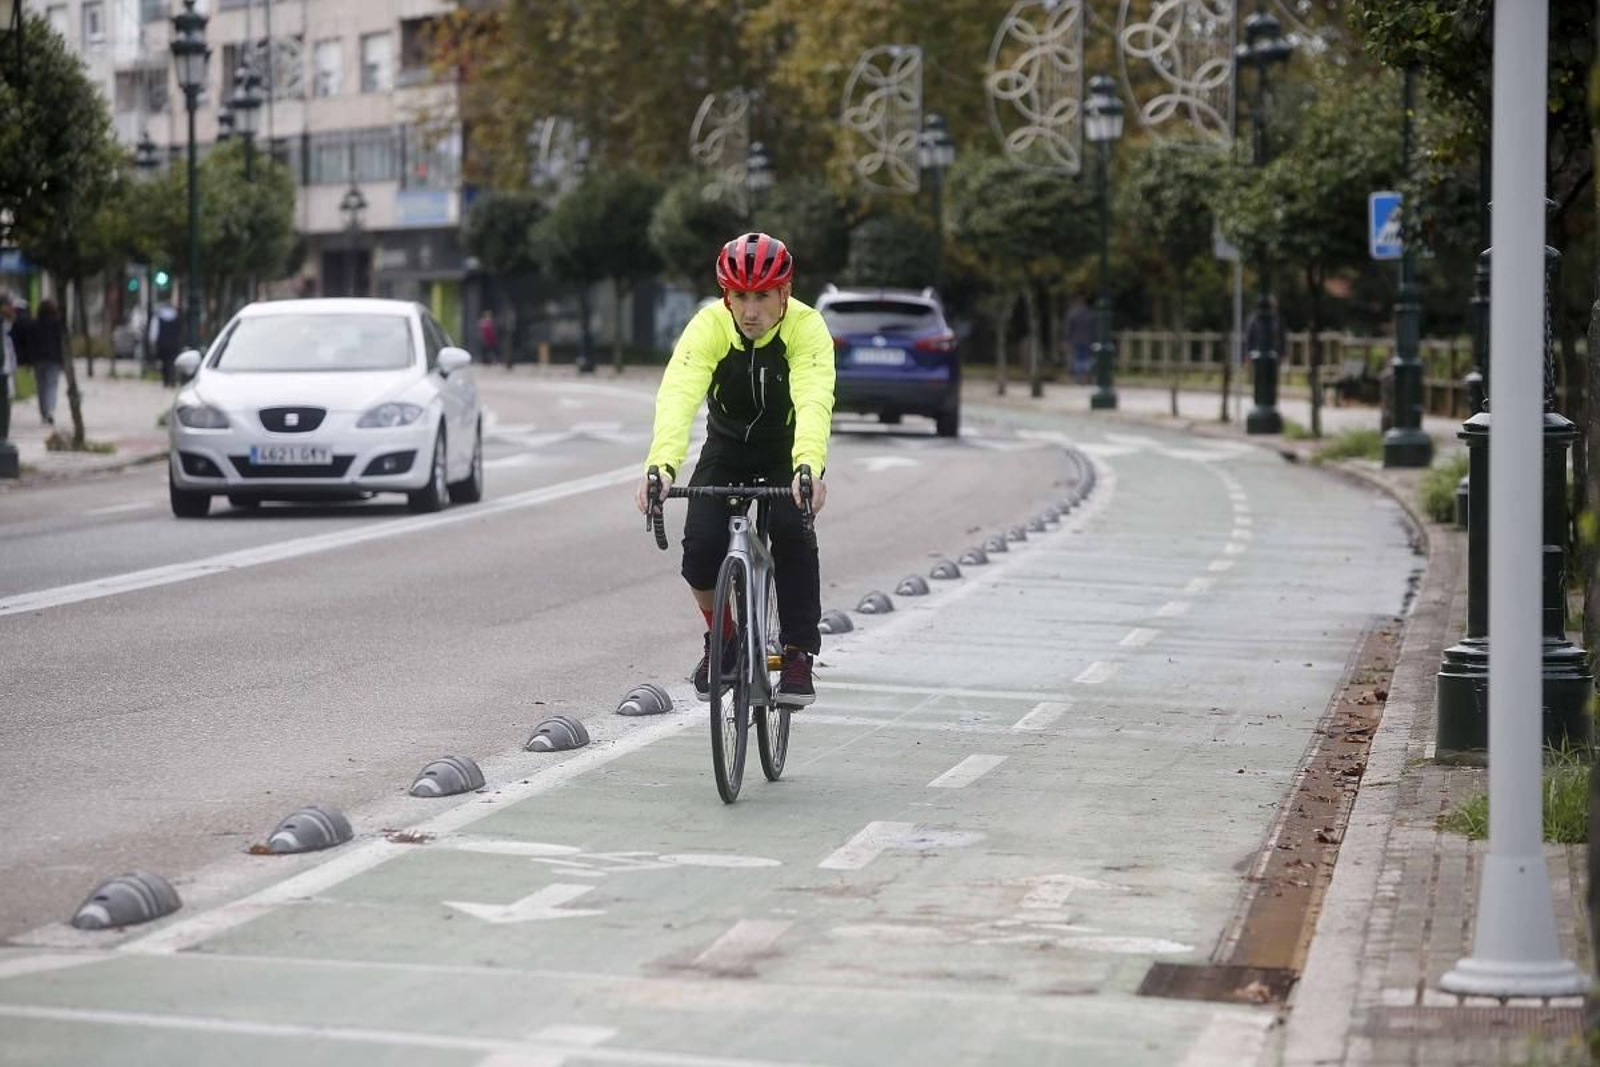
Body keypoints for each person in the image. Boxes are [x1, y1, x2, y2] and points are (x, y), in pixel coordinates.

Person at [634, 232, 835, 707]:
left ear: (784, 293)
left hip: (785, 449)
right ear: (726, 294)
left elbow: (813, 400)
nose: (750, 311)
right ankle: (723, 638)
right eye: (740, 297)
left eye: (762, 296)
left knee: (792, 531)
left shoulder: (807, 329)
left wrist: (808, 468)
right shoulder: (708, 326)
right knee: (701, 547)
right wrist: (660, 467)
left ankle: (798, 652)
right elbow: (679, 394)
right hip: (727, 445)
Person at [29, 299, 65, 427]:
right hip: (53, 358)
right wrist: (63, 361)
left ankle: (44, 412)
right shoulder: (58, 324)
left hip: (38, 359)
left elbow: (30, 342)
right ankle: (50, 410)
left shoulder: (34, 323)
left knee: (41, 386)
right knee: (51, 385)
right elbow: (61, 343)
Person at [149, 298, 182, 386]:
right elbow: (179, 330)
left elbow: (154, 331)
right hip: (173, 343)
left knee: (164, 362)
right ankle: (172, 379)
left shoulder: (158, 317)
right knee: (172, 361)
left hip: (162, 343)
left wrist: (153, 341)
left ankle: (166, 380)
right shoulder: (176, 316)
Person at [1063, 296, 1096, 384]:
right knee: (1086, 358)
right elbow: (1093, 328)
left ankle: (1079, 377)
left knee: (1078, 358)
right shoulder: (1090, 314)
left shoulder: (1072, 314)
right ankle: (1086, 376)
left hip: (1076, 340)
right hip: (1087, 340)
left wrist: (1067, 340)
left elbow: (1068, 328)